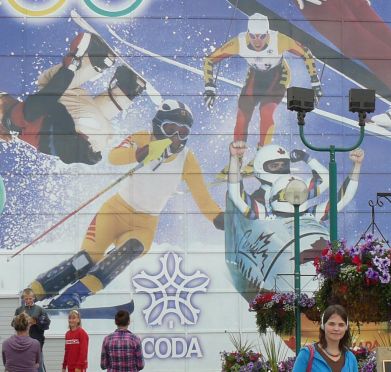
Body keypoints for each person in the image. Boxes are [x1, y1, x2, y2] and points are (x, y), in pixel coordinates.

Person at [28, 99, 224, 308]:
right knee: (86, 260)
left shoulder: (187, 159)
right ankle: (34, 291)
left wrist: (220, 218)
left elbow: (203, 198)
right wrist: (140, 152)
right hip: (114, 213)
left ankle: (73, 296)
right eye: (170, 128)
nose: (175, 137)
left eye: (182, 132)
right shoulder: (142, 138)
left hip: (143, 225)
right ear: (158, 125)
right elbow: (114, 156)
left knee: (126, 253)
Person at [0, 31, 146, 164]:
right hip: (83, 129)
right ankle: (99, 57)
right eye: (2, 97)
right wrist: (73, 59)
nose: (6, 96)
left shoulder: (23, 131)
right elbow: (52, 92)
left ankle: (128, 89)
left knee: (67, 110)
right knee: (47, 82)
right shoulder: (15, 118)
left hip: (96, 141)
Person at [203, 13, 322, 148]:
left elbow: (306, 53)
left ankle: (262, 152)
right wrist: (209, 86)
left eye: (262, 36)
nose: (257, 41)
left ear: (267, 33)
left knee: (265, 111)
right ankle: (238, 154)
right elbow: (209, 60)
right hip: (255, 77)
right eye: (253, 36)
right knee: (242, 114)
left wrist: (315, 83)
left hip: (278, 76)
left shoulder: (278, 40)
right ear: (248, 33)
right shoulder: (239, 42)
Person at [227, 141, 330, 218]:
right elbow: (236, 195)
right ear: (260, 167)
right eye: (275, 166)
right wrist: (235, 159)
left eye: (284, 165)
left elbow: (326, 179)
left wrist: (306, 158)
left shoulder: (297, 187)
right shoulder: (259, 198)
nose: (281, 169)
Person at [293, 304, 358, 371]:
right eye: (331, 324)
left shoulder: (350, 358)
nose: (336, 328)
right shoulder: (307, 354)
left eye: (341, 325)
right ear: (323, 326)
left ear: (346, 328)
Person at [14, 287, 50, 372]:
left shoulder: (40, 310)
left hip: (37, 344)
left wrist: (36, 322)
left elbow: (47, 325)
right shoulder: (19, 310)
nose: (28, 300)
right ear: (23, 298)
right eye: (26, 299)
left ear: (34, 297)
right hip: (22, 345)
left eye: (30, 298)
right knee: (23, 367)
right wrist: (21, 320)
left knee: (39, 367)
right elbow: (13, 324)